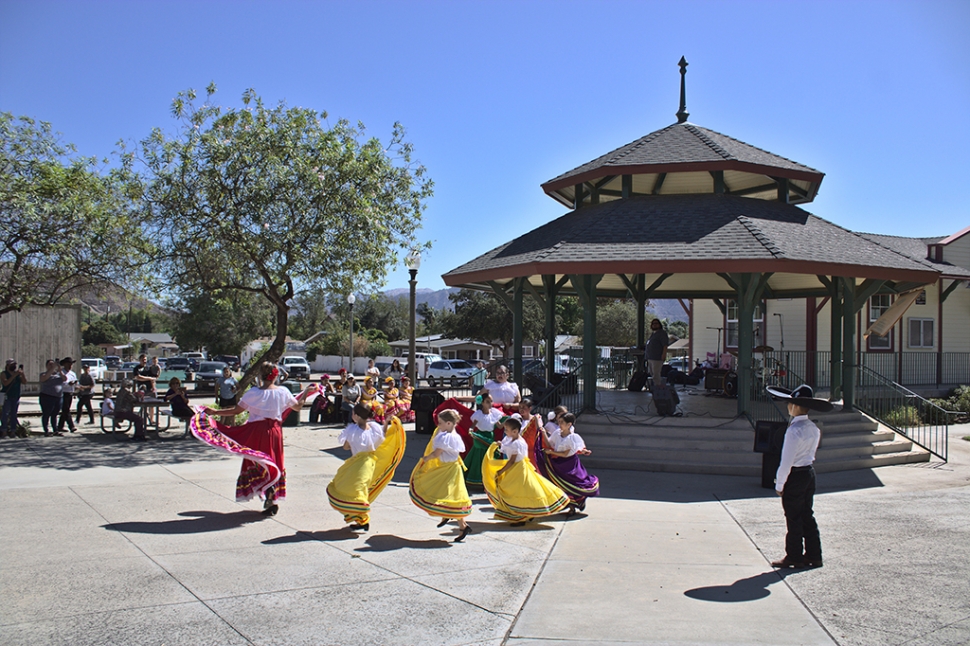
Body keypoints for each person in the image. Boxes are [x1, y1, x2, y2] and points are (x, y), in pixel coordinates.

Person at [193, 362, 314, 515]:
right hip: (275, 432)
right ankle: (272, 498)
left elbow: (236, 411)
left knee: (259, 462)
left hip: (257, 432)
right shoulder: (283, 392)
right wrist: (306, 393)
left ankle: (268, 495)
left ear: (260, 376)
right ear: (275, 375)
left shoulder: (254, 393)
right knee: (274, 462)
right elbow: (297, 407)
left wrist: (214, 412)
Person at [766, 384, 832, 569]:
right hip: (809, 473)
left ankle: (793, 555)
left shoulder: (794, 431)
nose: (788, 406)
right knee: (807, 514)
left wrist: (779, 484)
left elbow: (786, 461)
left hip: (795, 475)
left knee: (793, 517)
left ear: (795, 406)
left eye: (790, 403)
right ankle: (814, 554)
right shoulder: (813, 428)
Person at [326, 403, 406, 531]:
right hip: (369, 463)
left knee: (352, 489)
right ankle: (360, 518)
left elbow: (346, 447)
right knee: (359, 489)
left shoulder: (352, 431)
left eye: (353, 413)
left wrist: (352, 442)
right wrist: (386, 423)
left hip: (358, 464)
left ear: (356, 416)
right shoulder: (374, 428)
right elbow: (382, 436)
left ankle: (362, 518)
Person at [482, 416, 569, 526]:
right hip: (518, 468)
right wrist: (499, 444)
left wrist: (501, 471)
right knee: (520, 491)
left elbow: (512, 461)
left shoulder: (517, 443)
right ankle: (526, 514)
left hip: (518, 469)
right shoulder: (512, 439)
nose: (505, 432)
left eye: (506, 430)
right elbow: (507, 447)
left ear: (515, 431)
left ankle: (520, 517)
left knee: (516, 492)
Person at [409, 408, 472, 542]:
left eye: (441, 422)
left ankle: (462, 525)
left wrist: (426, 458)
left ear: (449, 423)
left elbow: (436, 453)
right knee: (448, 494)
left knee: (449, 495)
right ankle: (454, 520)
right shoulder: (452, 434)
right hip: (451, 467)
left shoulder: (446, 437)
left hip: (448, 469)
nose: (438, 425)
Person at [535, 412, 599, 516]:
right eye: (559, 422)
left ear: (569, 424)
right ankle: (571, 506)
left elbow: (565, 454)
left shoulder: (572, 437)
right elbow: (549, 444)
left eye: (562, 422)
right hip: (558, 463)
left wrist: (551, 452)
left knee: (572, 484)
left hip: (569, 464)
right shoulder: (557, 433)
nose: (559, 424)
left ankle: (576, 503)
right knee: (561, 485)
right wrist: (543, 433)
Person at [466, 390, 503, 487]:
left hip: (490, 437)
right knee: (479, 457)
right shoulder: (479, 414)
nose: (490, 404)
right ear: (482, 403)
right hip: (480, 437)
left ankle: (488, 478)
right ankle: (477, 479)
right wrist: (470, 430)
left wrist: (508, 421)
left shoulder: (494, 413)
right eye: (487, 401)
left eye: (491, 401)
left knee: (489, 456)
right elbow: (472, 426)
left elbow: (499, 426)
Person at [38, 359, 67, 436]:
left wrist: (60, 370)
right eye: (50, 364)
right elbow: (44, 378)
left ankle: (55, 429)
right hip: (47, 397)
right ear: (46, 366)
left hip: (58, 397)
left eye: (53, 364)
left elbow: (64, 379)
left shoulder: (58, 375)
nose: (52, 366)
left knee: (55, 414)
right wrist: (52, 368)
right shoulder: (44, 374)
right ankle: (46, 430)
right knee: (46, 414)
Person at [1, 359, 27, 438]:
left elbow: (24, 382)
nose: (14, 366)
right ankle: (4, 431)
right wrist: (14, 375)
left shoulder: (18, 374)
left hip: (16, 396)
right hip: (7, 396)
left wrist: (22, 374)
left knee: (13, 414)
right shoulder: (4, 373)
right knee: (5, 414)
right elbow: (5, 383)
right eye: (12, 365)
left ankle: (13, 431)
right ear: (8, 365)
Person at [57, 357, 79, 433]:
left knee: (65, 410)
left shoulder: (73, 374)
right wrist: (68, 384)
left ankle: (60, 426)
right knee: (66, 409)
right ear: (65, 364)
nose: (70, 366)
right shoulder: (61, 373)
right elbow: (60, 383)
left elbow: (76, 383)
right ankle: (71, 426)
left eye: (71, 364)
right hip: (63, 393)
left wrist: (76, 386)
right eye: (68, 364)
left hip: (70, 393)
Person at [645, 318, 668, 383]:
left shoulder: (662, 333)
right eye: (653, 324)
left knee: (656, 374)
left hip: (657, 357)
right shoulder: (653, 334)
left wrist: (664, 354)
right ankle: (654, 388)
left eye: (656, 323)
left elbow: (665, 345)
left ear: (659, 325)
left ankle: (658, 388)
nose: (654, 325)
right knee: (652, 374)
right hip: (650, 357)